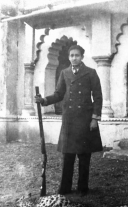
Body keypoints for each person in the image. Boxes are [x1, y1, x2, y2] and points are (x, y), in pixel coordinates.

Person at [35, 45, 103, 195]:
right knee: (68, 155)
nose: (74, 58)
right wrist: (44, 100)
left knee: (84, 155)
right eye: (71, 55)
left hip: (85, 119)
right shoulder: (65, 73)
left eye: (77, 55)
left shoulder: (91, 73)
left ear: (82, 57)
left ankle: (82, 188)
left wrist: (94, 119)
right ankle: (65, 188)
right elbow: (59, 94)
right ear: (68, 57)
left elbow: (98, 97)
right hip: (69, 120)